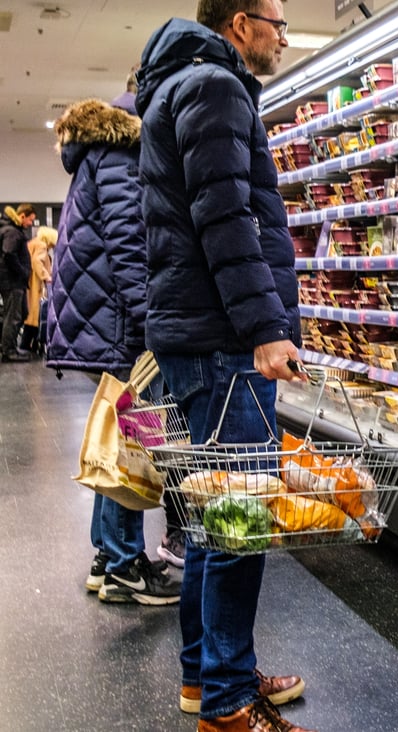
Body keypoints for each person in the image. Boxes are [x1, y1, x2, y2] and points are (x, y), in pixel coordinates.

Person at [136, 2, 311, 730]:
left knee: (212, 519)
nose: (282, 36)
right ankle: (228, 703)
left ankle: (210, 675)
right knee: (238, 524)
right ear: (240, 22)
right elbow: (227, 217)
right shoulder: (215, 84)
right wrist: (266, 327)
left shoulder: (179, 81)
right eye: (276, 21)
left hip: (197, 336)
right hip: (222, 342)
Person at [46, 93, 184, 606]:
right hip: (121, 324)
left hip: (102, 319)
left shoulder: (98, 154)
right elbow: (131, 246)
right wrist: (152, 327)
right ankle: (126, 564)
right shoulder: (123, 156)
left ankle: (107, 555)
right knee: (133, 445)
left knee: (119, 436)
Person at [0, 203, 37, 361]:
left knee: (22, 313)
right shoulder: (12, 232)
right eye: (30, 220)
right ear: (22, 216)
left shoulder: (11, 230)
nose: (31, 224)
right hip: (12, 281)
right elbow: (9, 253)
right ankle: (8, 351)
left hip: (14, 281)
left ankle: (10, 346)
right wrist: (22, 272)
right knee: (13, 316)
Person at [23, 226, 55, 355]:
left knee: (31, 319)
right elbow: (37, 261)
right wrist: (47, 276)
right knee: (36, 318)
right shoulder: (42, 246)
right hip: (36, 286)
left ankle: (28, 346)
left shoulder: (33, 243)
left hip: (29, 284)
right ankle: (27, 346)